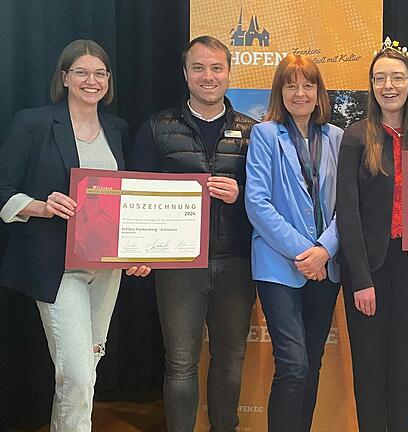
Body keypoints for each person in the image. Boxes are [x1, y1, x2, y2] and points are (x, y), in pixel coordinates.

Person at [0, 39, 150, 432]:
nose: (92, 80)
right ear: (64, 77)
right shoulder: (33, 122)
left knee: (84, 371)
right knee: (78, 375)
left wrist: (136, 250)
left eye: (100, 73)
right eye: (81, 72)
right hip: (56, 268)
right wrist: (40, 206)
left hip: (106, 269)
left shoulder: (117, 128)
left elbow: (124, 202)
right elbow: (2, 188)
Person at [131, 35, 257, 431]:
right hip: (178, 266)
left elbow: (270, 201)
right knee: (181, 362)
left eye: (216, 68)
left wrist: (242, 194)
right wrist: (138, 250)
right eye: (198, 68)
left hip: (237, 262)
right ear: (185, 74)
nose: (208, 76)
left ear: (229, 73)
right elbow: (136, 195)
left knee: (231, 359)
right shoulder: (156, 128)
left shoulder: (254, 132)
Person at [337, 43, 408, 431]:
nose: (388, 85)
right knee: (370, 362)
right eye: (380, 78)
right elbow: (347, 212)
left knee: (406, 360)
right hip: (369, 268)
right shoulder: (356, 137)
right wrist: (360, 279)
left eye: (397, 77)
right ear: (371, 86)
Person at [245, 54, 342, 432]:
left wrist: (325, 250)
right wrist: (307, 252)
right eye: (291, 85)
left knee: (312, 361)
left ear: (319, 92)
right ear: (279, 91)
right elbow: (257, 203)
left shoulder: (336, 137)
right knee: (293, 364)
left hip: (326, 264)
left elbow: (347, 206)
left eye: (308, 85)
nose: (300, 93)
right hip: (279, 266)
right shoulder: (266, 135)